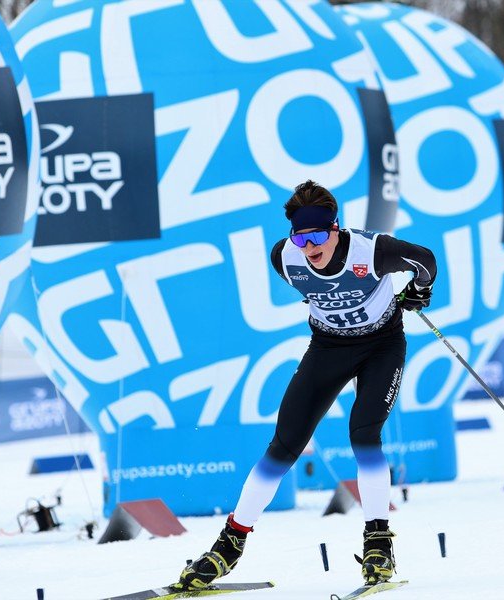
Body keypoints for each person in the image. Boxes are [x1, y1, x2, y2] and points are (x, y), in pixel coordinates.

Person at [173, 180, 436, 590]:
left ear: (335, 229)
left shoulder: (373, 251)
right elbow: (315, 286)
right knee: (284, 445)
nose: (309, 246)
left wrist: (418, 291)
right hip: (328, 348)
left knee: (364, 435)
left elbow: (425, 260)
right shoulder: (284, 256)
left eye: (317, 236)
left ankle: (378, 543)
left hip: (381, 347)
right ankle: (230, 544)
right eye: (301, 236)